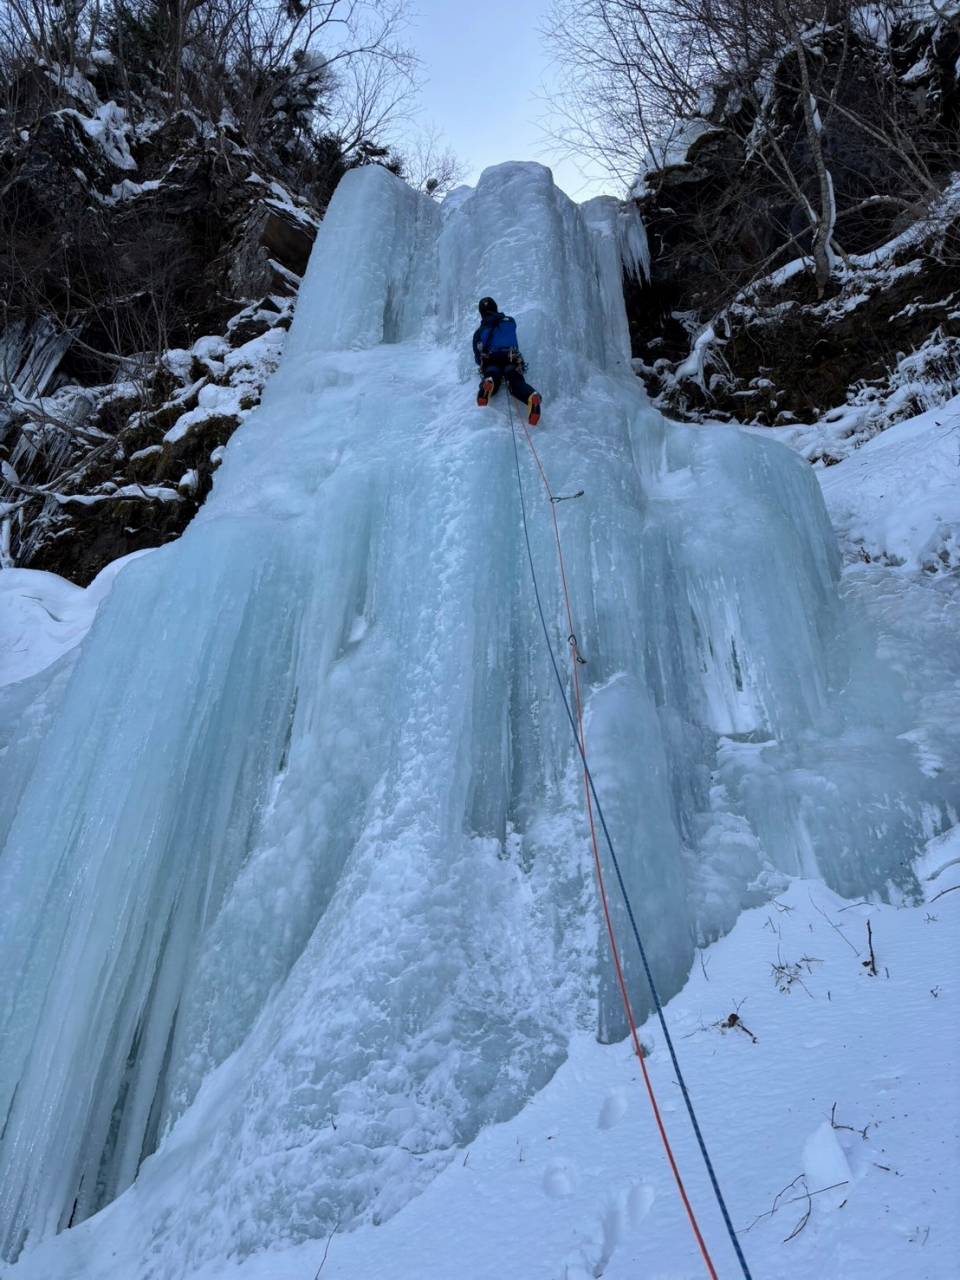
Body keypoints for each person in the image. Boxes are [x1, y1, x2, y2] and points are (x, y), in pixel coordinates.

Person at [473, 297, 542, 426]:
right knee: (516, 382)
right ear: (495, 308)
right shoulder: (509, 321)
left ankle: (489, 383)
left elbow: (478, 356)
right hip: (511, 357)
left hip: (492, 359)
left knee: (492, 374)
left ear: (482, 313)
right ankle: (531, 396)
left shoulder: (480, 331)